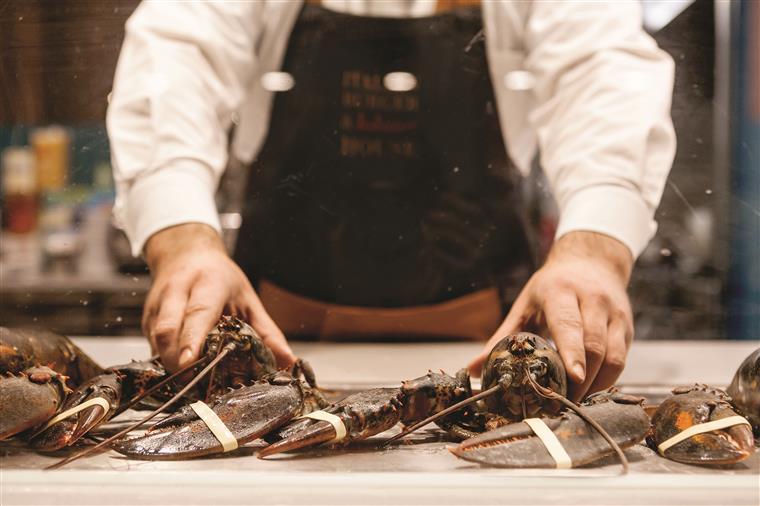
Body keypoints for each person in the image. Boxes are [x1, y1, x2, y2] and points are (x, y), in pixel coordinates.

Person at [108, 0, 675, 401]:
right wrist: (183, 241)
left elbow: (602, 71)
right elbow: (175, 59)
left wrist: (594, 253)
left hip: (493, 362)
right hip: (273, 367)